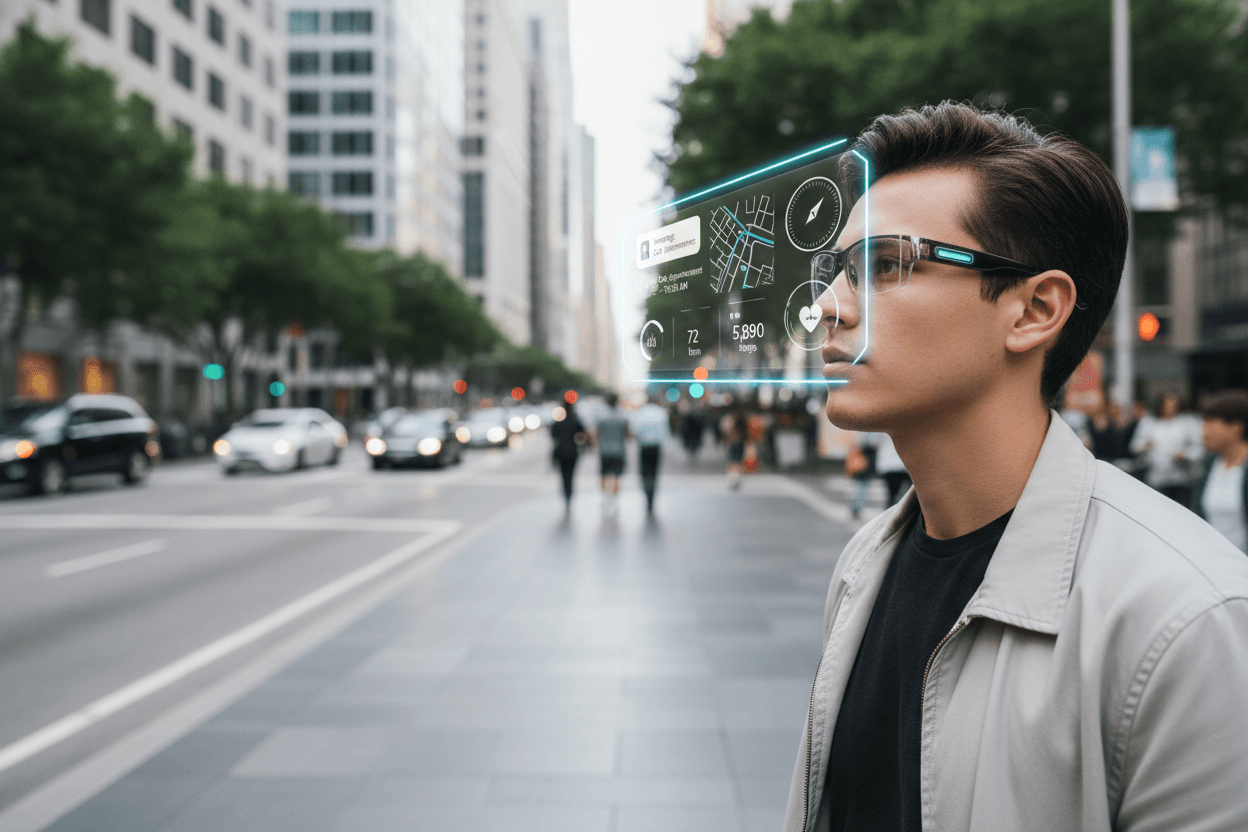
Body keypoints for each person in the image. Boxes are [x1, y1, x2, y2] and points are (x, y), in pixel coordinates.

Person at [785, 102, 1248, 832]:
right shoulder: (862, 566)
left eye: (885, 264)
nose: (828, 308)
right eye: (834, 271)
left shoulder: (1188, 620)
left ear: (1034, 310)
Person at [1193, 389, 1248, 553]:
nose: (1203, 431)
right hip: (1217, 569)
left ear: (1235, 427)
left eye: (1210, 422)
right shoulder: (1209, 466)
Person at [1129, 391, 1204, 508]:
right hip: (1157, 476)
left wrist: (1186, 455)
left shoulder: (1187, 422)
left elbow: (1199, 447)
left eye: (1173, 406)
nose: (1170, 409)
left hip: (1182, 477)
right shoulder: (1149, 422)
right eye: (1167, 406)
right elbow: (1135, 446)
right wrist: (1146, 446)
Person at [631, 395, 670, 514]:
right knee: (654, 472)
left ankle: (647, 491)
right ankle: (651, 495)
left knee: (644, 472)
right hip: (656, 447)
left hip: (644, 447)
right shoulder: (662, 412)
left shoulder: (640, 413)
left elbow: (634, 431)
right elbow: (665, 432)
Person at [593, 393, 629, 513]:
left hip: (604, 450)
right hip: (619, 450)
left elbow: (596, 434)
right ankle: (613, 497)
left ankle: (605, 496)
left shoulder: (601, 417)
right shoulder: (622, 416)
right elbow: (627, 434)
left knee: (604, 475)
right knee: (616, 476)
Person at [549, 399, 587, 512]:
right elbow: (582, 433)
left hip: (561, 452)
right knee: (570, 476)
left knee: (563, 476)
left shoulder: (559, 420)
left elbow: (553, 434)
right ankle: (569, 496)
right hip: (572, 452)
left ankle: (566, 496)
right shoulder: (575, 419)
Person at [721, 406, 746, 489]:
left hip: (734, 443)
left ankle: (734, 479)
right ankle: (736, 479)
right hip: (739, 442)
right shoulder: (742, 419)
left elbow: (725, 430)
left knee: (733, 463)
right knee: (737, 463)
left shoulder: (730, 419)